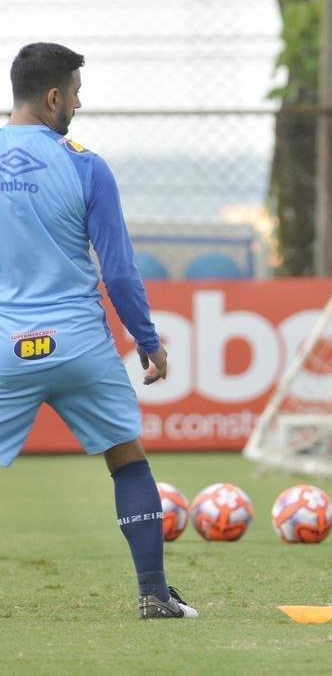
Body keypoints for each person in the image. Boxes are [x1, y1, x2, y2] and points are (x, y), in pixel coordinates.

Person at [0, 42, 198, 619]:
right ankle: (154, 595)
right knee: (127, 459)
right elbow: (119, 272)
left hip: (6, 347)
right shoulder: (87, 165)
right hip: (79, 345)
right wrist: (148, 342)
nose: (79, 105)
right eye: (76, 94)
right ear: (53, 97)